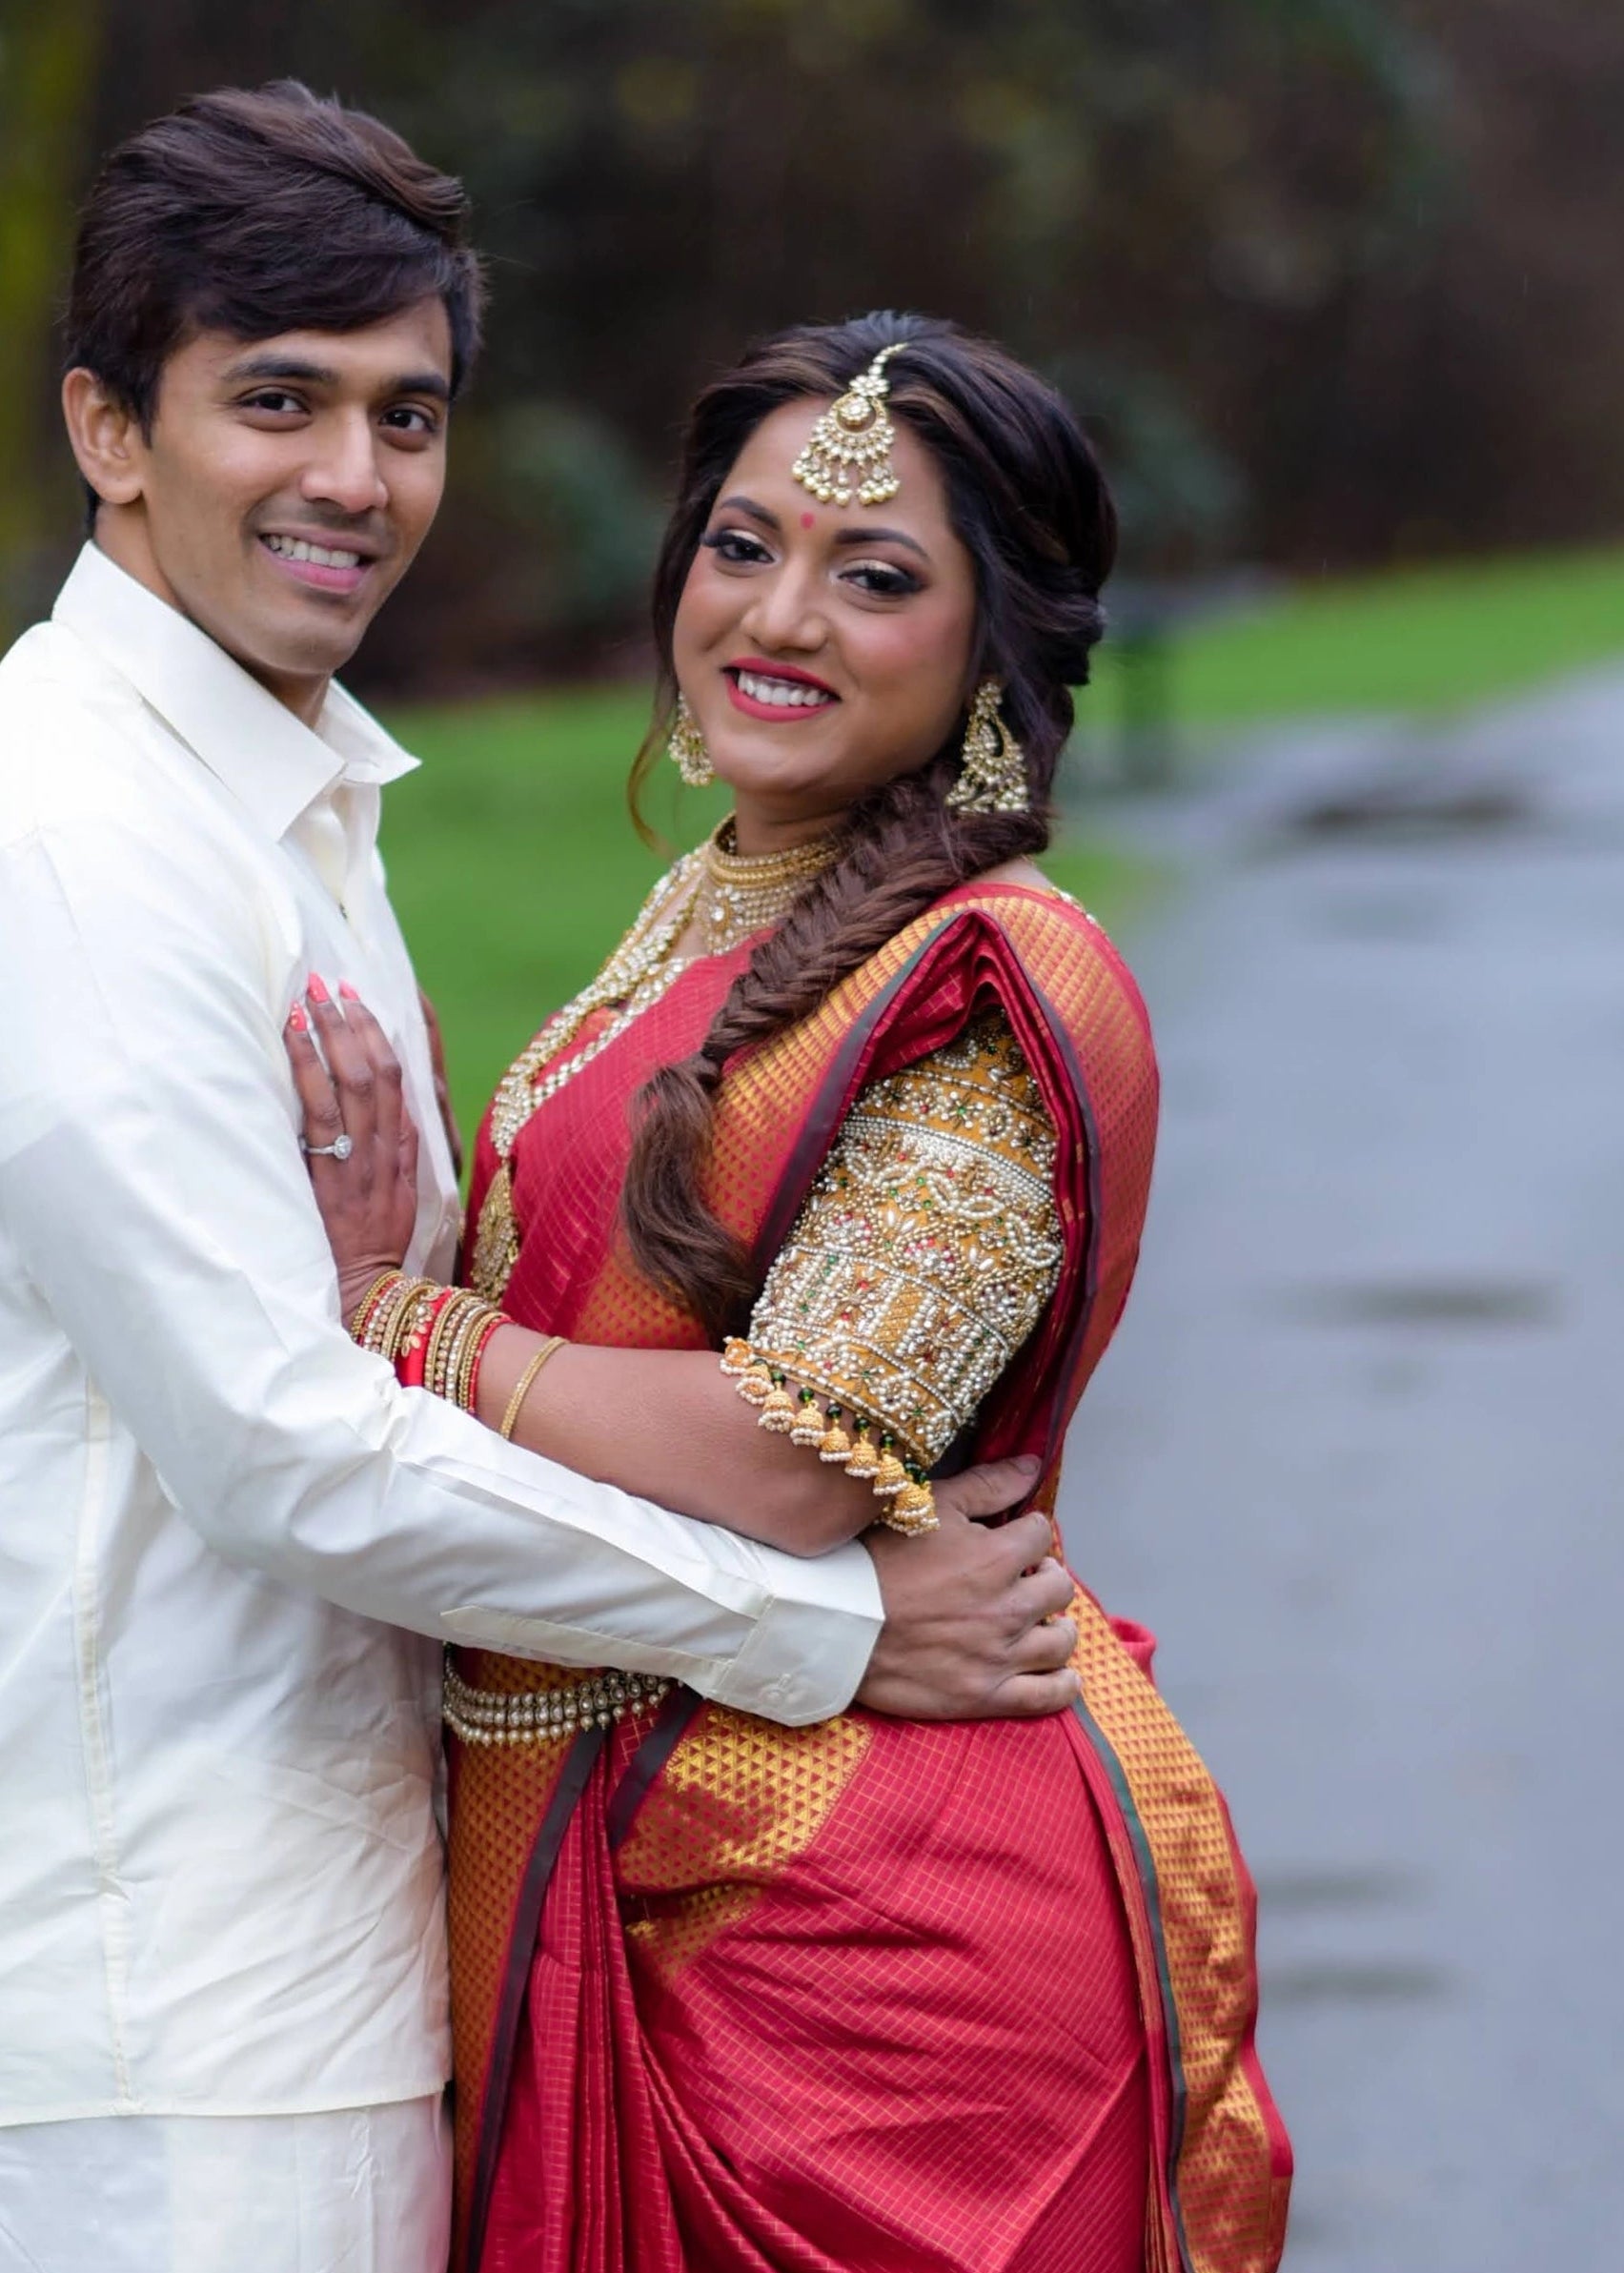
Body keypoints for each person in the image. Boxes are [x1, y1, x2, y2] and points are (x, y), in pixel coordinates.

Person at [0, 93, 1076, 2273]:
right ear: (109, 427)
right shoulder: (76, 833)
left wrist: (411, 1290)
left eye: (409, 414)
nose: (353, 480)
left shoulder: (278, 803)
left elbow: (372, 1337)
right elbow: (282, 1452)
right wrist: (839, 1626)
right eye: (274, 401)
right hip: (177, 2009)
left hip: (348, 1936)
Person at [292, 315, 1292, 2272]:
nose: (785, 612)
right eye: (742, 545)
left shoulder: (992, 983)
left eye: (878, 575)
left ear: (996, 642)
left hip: (865, 1952)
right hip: (622, 1829)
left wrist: (396, 1322)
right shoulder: (729, 895)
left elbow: (781, 1464)